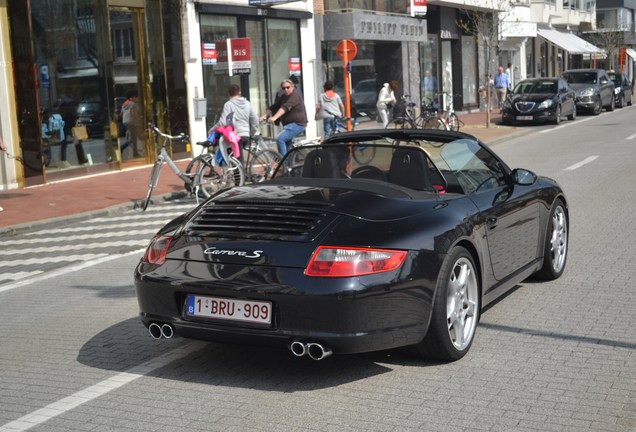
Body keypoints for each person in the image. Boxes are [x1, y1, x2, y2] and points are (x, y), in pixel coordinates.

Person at [261, 79, 307, 156]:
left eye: (288, 87)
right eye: (283, 88)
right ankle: (289, 165)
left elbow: (285, 107)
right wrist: (266, 115)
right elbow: (275, 107)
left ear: (292, 87)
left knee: (280, 139)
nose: (286, 90)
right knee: (286, 145)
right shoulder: (284, 96)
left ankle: (283, 164)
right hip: (288, 125)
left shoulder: (295, 95)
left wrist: (274, 118)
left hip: (297, 124)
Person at [214, 84, 259, 161]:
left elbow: (223, 122)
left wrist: (212, 130)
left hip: (235, 136)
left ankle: (241, 172)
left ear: (229, 94)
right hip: (246, 135)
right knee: (236, 159)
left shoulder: (228, 104)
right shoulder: (247, 104)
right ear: (239, 92)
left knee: (237, 161)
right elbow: (255, 120)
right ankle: (239, 171)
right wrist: (251, 133)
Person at [122, 90, 144, 157]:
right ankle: (134, 153)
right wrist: (140, 120)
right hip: (131, 122)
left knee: (133, 138)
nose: (137, 98)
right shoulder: (133, 104)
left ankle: (134, 152)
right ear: (131, 98)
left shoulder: (124, 104)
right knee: (133, 138)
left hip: (126, 122)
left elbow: (121, 113)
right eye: (135, 97)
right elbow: (134, 114)